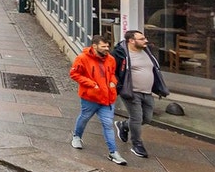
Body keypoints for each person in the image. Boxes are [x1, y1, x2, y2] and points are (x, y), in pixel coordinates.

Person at [69, 35, 127, 164]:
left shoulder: (111, 59)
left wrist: (113, 82)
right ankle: (77, 136)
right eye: (103, 46)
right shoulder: (82, 58)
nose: (107, 48)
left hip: (107, 99)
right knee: (84, 117)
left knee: (108, 124)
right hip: (90, 97)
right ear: (94, 46)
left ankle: (113, 152)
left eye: (108, 46)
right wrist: (92, 84)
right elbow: (74, 74)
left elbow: (112, 74)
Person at [114, 29, 170, 159]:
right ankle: (137, 144)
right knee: (137, 118)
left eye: (145, 38)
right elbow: (113, 71)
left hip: (147, 92)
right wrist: (120, 87)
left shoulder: (147, 51)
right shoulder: (121, 54)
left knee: (147, 118)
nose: (146, 41)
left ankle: (123, 125)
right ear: (131, 41)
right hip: (131, 93)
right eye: (142, 39)